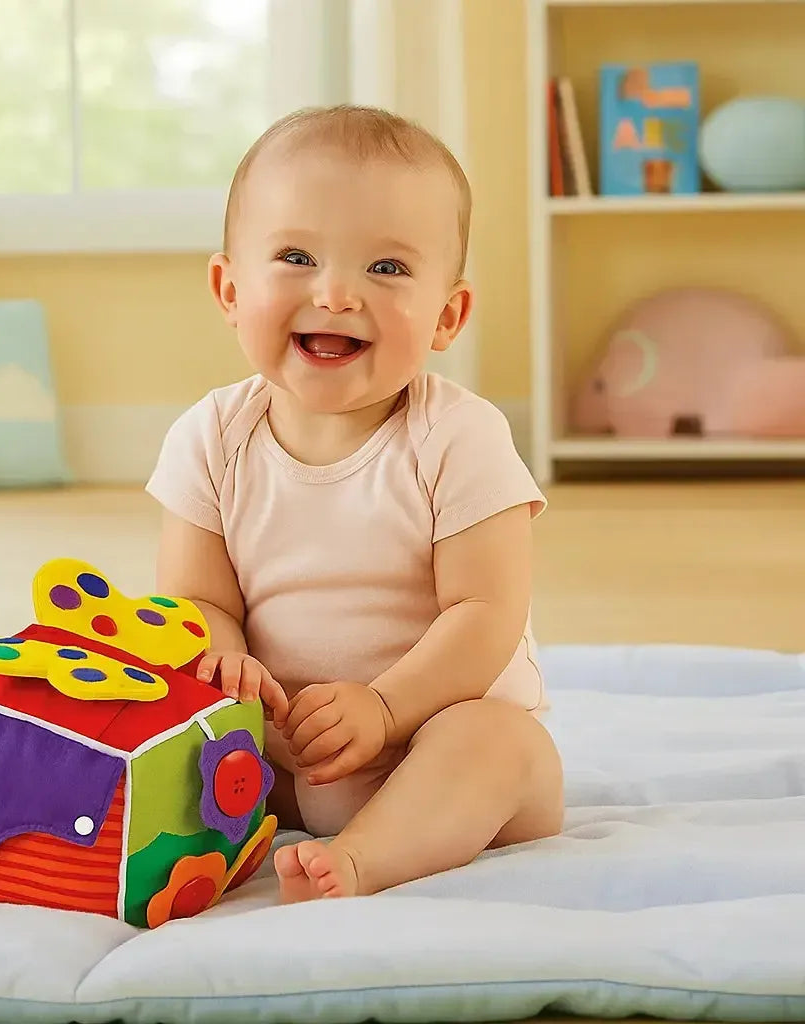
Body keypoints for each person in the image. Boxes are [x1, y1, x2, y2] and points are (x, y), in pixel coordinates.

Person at [146, 104, 564, 903]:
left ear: (447, 316)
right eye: (297, 256)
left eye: (387, 269)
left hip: (434, 744)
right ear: (229, 289)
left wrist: (384, 707)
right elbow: (196, 597)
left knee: (498, 743)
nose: (336, 294)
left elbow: (485, 611)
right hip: (278, 756)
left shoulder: (459, 437)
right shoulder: (210, 437)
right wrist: (224, 652)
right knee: (158, 728)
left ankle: (363, 862)